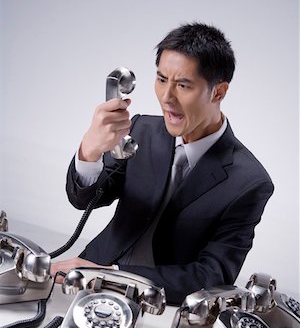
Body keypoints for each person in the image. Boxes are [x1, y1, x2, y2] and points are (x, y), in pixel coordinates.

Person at [51, 22, 274, 306]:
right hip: (83, 278)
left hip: (162, 305)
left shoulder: (250, 182)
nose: (167, 98)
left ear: (218, 92)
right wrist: (90, 149)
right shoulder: (141, 129)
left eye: (183, 85)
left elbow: (213, 276)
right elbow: (84, 200)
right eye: (161, 79)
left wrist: (112, 277)